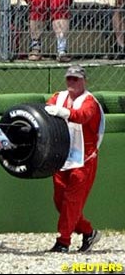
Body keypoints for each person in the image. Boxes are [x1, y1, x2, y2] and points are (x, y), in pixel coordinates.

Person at [44, 64, 104, 253]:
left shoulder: (90, 101)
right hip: (61, 157)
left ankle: (63, 241)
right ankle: (88, 232)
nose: (72, 82)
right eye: (69, 78)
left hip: (84, 160)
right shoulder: (58, 97)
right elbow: (46, 112)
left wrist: (64, 112)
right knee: (59, 201)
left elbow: (83, 116)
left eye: (76, 79)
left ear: (84, 81)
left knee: (72, 201)